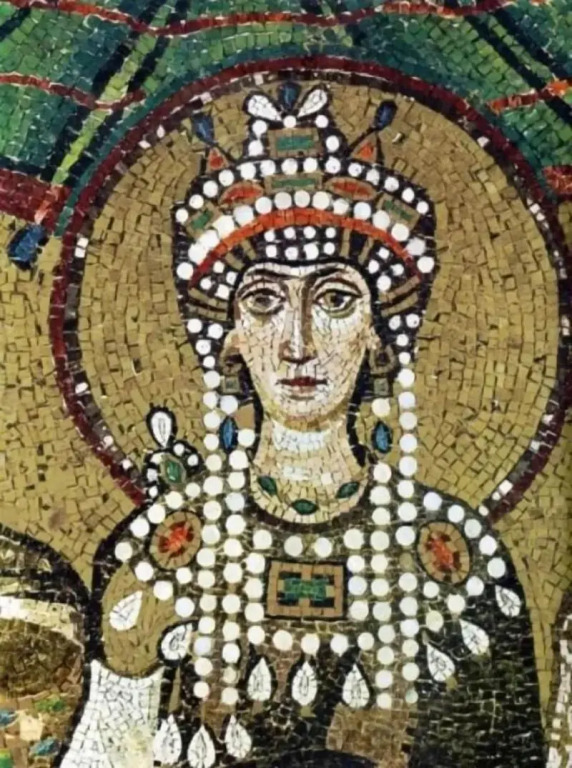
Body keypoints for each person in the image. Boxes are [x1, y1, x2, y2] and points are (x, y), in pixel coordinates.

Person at [56, 82, 545, 768]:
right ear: (229, 338)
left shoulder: (457, 566)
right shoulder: (159, 558)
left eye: (335, 299)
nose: (298, 343)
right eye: (264, 302)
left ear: (377, 334)